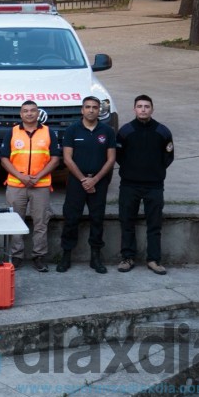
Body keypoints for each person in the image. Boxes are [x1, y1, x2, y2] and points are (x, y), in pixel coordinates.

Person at [57, 96, 116, 274]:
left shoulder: (107, 131)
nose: (91, 110)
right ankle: (65, 256)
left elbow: (111, 158)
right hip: (77, 182)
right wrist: (83, 179)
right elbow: (67, 158)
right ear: (82, 110)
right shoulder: (72, 130)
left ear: (99, 110)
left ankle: (96, 258)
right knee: (71, 219)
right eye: (87, 107)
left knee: (97, 219)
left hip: (99, 182)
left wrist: (95, 180)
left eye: (95, 107)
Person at [0, 100, 61, 272]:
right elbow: (4, 159)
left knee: (41, 223)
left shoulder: (49, 132)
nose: (29, 114)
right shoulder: (11, 132)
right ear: (20, 114)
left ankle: (39, 256)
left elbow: (55, 159)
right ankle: (16, 256)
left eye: (32, 110)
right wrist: (20, 176)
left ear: (38, 113)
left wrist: (37, 177)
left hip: (40, 185)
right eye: (25, 111)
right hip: (15, 184)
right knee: (15, 222)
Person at [116, 95, 174, 275]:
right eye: (139, 106)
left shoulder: (163, 131)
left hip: (154, 186)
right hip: (129, 185)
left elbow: (168, 156)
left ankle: (154, 260)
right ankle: (127, 258)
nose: (143, 109)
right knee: (127, 222)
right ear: (134, 109)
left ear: (152, 109)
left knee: (154, 224)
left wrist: (154, 171)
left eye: (146, 106)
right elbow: (118, 156)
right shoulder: (125, 131)